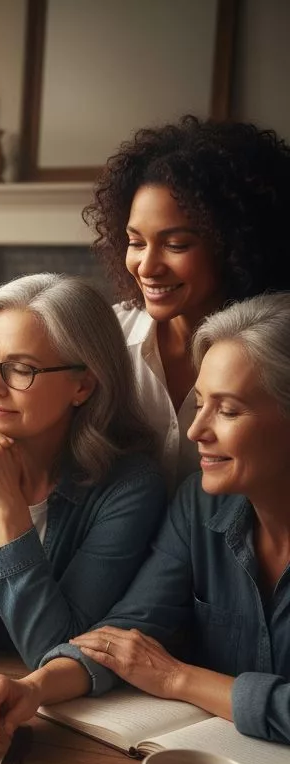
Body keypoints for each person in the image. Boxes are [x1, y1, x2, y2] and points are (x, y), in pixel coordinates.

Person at [0, 291, 290, 751]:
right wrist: (35, 688)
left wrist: (180, 678)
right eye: (199, 404)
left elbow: (155, 665)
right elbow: (128, 630)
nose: (196, 431)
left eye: (230, 410)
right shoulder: (197, 505)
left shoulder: (135, 484)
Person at [0, 273, 165, 668]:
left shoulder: (130, 487)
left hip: (60, 704)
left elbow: (54, 647)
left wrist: (8, 508)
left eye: (21, 369)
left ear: (83, 386)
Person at [84, 115, 290, 490]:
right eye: (135, 242)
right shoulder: (106, 337)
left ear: (236, 245)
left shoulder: (279, 352)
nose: (147, 266)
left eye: (176, 244)